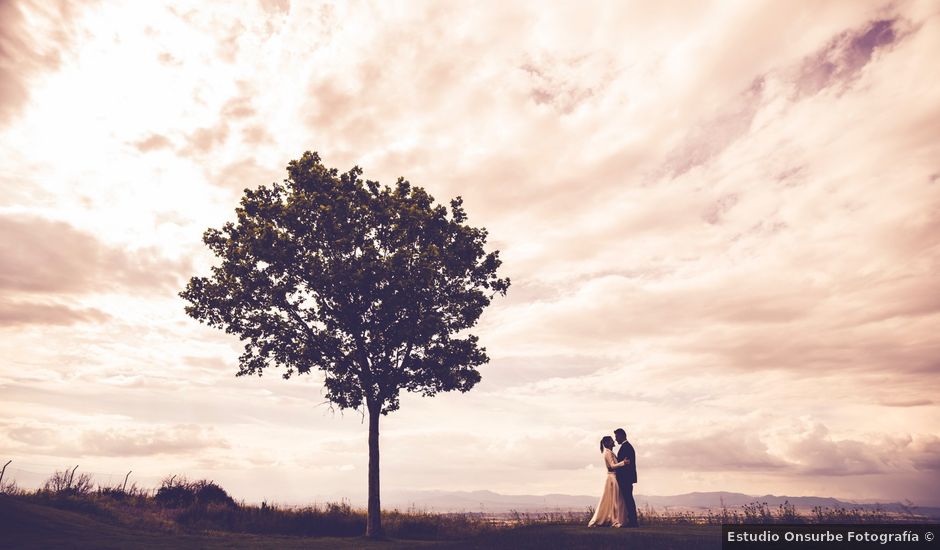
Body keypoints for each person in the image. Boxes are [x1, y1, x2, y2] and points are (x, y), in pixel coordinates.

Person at [587, 435, 630, 527]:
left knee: (616, 499)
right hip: (612, 478)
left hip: (613, 477)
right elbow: (612, 466)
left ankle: (616, 518)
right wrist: (623, 463)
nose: (614, 441)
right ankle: (615, 520)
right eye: (611, 440)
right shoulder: (608, 453)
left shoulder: (609, 452)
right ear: (607, 443)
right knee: (615, 500)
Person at [614, 427, 639, 527]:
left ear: (621, 435)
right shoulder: (627, 447)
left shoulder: (627, 447)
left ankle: (633, 521)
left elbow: (626, 465)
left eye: (616, 437)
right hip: (626, 478)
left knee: (628, 499)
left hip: (626, 479)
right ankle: (631, 520)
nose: (616, 439)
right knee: (628, 499)